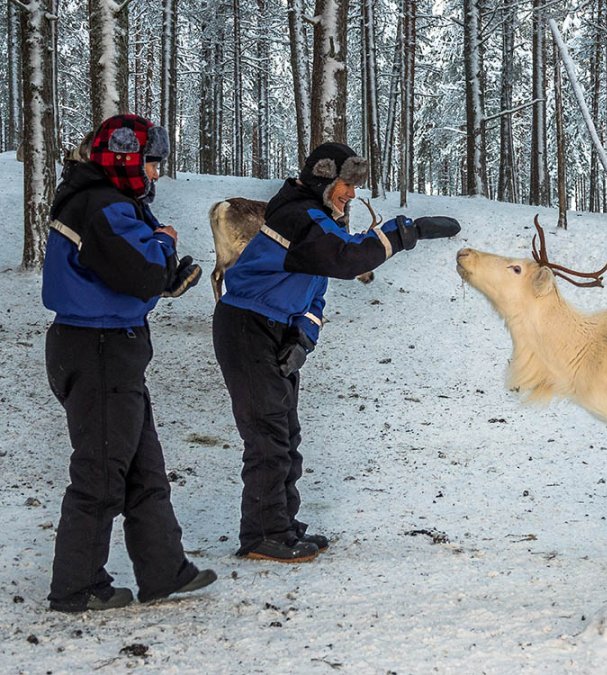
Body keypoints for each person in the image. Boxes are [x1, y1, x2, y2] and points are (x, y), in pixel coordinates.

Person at [213, 141, 460, 562]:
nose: (352, 194)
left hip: (275, 328)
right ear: (324, 178)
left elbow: (317, 288)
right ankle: (264, 534)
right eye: (347, 184)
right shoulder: (299, 216)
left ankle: (281, 523)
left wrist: (303, 336)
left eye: (355, 186)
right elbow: (346, 260)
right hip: (246, 327)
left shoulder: (317, 219)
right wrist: (405, 233)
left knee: (285, 434)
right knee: (268, 436)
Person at [42, 114, 215, 612]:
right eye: (151, 163)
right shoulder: (104, 206)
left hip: (107, 346)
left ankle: (164, 571)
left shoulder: (99, 201)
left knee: (144, 467)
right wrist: (164, 243)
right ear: (126, 160)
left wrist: (163, 278)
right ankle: (77, 586)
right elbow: (140, 272)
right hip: (98, 348)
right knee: (100, 472)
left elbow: (124, 275)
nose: (156, 173)